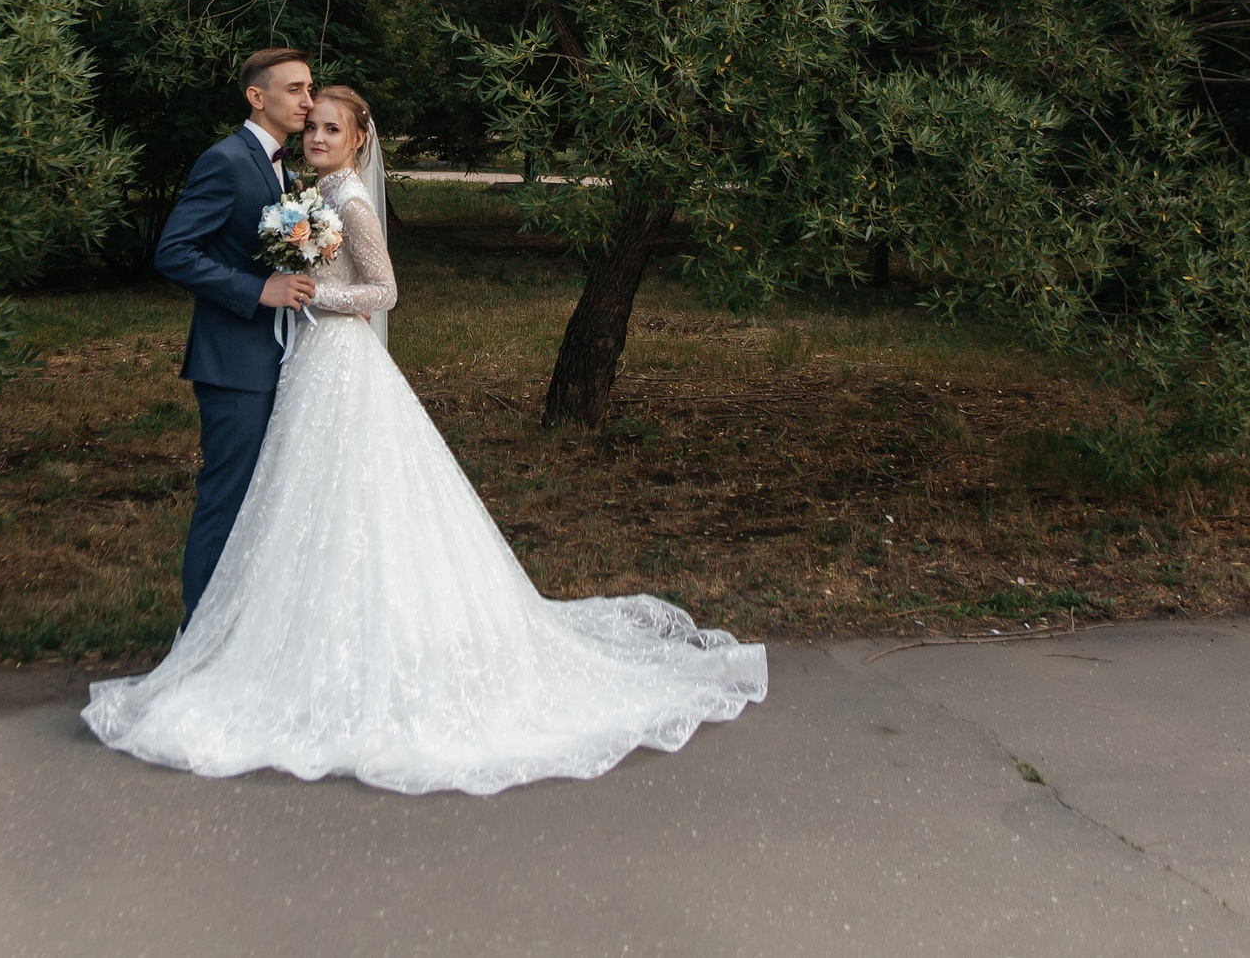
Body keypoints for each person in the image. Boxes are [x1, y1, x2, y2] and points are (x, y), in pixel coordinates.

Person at [89, 84, 767, 795]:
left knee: (358, 502)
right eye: (312, 127)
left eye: (331, 129)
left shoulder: (347, 199)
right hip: (314, 367)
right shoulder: (315, 192)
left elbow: (384, 291)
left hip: (342, 363)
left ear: (358, 140)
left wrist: (316, 292)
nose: (316, 137)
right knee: (313, 505)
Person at [149, 47, 319, 620]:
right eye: (294, 89)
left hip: (279, 357)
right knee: (227, 500)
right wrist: (258, 291)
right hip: (233, 363)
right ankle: (198, 637)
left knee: (265, 501)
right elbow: (173, 252)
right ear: (257, 96)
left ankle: (243, 629)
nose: (307, 100)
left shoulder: (282, 168)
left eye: (310, 89)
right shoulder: (225, 160)